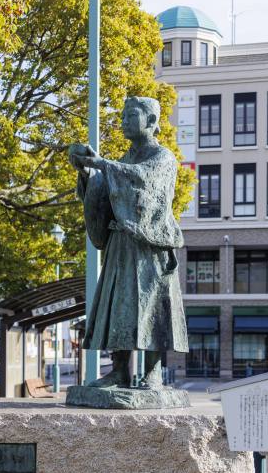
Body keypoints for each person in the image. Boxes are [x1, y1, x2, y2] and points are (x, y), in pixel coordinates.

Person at [70, 96, 187, 388]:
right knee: (119, 306)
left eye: (130, 115)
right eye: (121, 115)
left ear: (150, 121)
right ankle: (119, 370)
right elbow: (105, 188)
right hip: (121, 245)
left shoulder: (163, 157)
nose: (123, 120)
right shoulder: (122, 161)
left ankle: (152, 373)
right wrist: (88, 173)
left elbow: (145, 181)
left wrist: (103, 165)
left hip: (149, 247)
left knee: (150, 310)